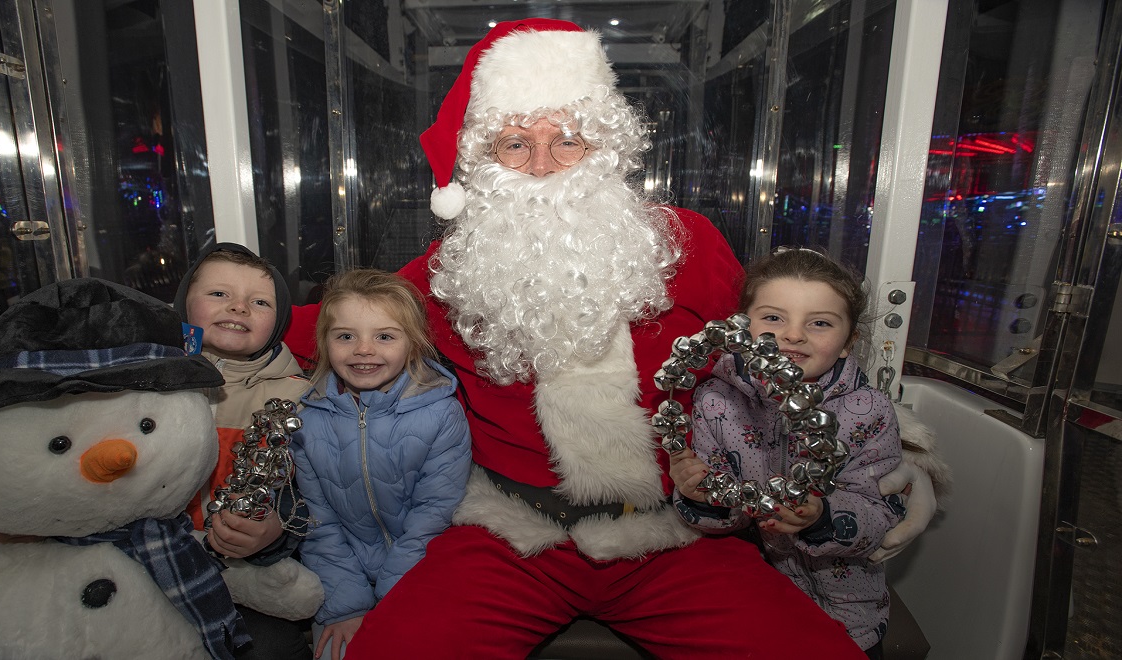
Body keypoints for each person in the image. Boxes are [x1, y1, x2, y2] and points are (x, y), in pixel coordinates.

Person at [284, 19, 866, 658]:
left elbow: (783, 352)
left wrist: (875, 452)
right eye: (514, 144)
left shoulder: (689, 244)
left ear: (604, 148)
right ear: (481, 161)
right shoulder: (447, 273)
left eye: (567, 141)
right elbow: (327, 327)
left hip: (675, 535)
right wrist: (227, 321)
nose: (541, 166)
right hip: (511, 536)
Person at [673, 247, 902, 658]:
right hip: (755, 598)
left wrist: (822, 517)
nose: (794, 335)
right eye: (774, 318)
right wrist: (700, 497)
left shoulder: (870, 411)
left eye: (819, 323)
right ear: (742, 326)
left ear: (848, 342)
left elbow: (883, 514)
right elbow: (723, 519)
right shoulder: (715, 401)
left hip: (852, 608)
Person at [290, 269, 471, 659]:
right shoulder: (306, 421)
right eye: (345, 336)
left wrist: (393, 599)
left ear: (413, 344)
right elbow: (318, 524)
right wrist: (347, 605)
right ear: (324, 343)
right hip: (341, 577)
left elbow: (433, 518)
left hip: (421, 574)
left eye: (384, 336)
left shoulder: (442, 415)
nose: (363, 350)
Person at [174, 243, 314, 660]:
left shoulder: (299, 398)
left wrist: (277, 530)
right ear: (183, 306)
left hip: (246, 573)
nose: (239, 307)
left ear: (279, 322)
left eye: (260, 302)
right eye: (219, 294)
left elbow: (316, 491)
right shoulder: (150, 386)